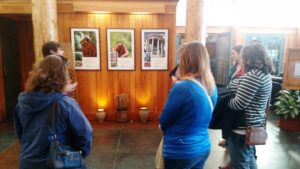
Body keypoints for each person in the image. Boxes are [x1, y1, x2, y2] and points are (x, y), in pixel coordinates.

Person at [14, 55, 93, 169]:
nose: (69, 79)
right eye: (66, 75)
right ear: (60, 78)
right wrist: (79, 154)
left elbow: (21, 135)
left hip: (28, 162)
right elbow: (85, 134)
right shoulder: (65, 104)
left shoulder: (21, 105)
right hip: (60, 162)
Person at [159, 42, 218, 169]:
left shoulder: (182, 87)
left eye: (180, 59)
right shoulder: (211, 86)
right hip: (203, 146)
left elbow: (164, 120)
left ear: (186, 62)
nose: (178, 62)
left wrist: (175, 88)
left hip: (180, 150)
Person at [227, 44, 272, 169]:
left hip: (242, 129)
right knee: (249, 159)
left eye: (242, 57)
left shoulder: (252, 76)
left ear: (248, 58)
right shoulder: (265, 74)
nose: (241, 60)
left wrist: (225, 100)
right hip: (253, 125)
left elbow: (238, 104)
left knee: (241, 163)